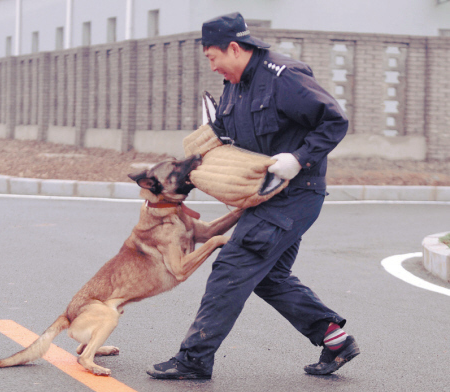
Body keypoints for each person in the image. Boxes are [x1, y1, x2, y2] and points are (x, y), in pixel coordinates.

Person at [147, 11, 359, 380]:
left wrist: (298, 158)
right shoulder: (236, 83)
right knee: (269, 274)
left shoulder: (284, 77)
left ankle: (194, 359)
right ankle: (335, 339)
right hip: (264, 197)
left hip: (294, 193)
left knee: (232, 266)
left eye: (212, 57)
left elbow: (334, 121)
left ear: (233, 48)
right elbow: (223, 135)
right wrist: (188, 172)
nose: (211, 67)